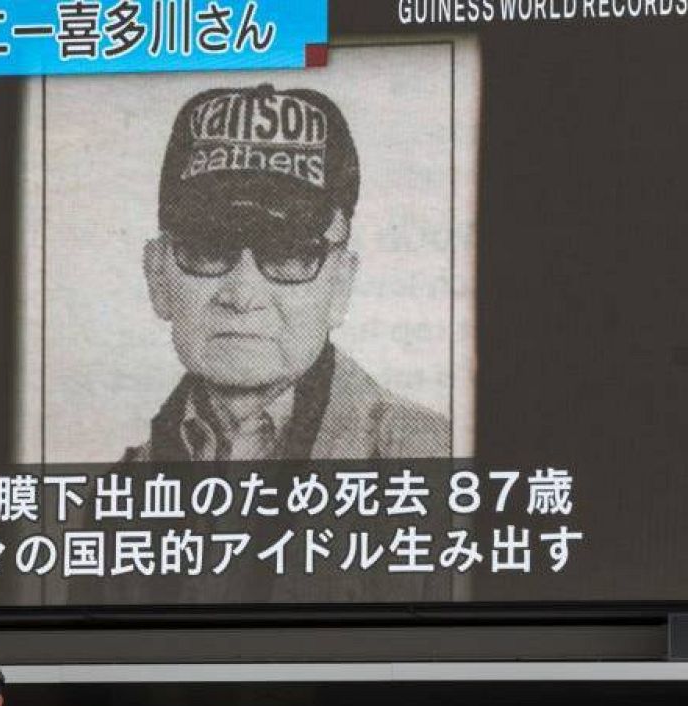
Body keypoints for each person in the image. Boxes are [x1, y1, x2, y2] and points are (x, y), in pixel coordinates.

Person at [128, 83, 451, 462]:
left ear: (341, 285)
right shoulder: (118, 490)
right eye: (208, 249)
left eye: (289, 254)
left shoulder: (439, 459)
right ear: (157, 275)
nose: (242, 295)